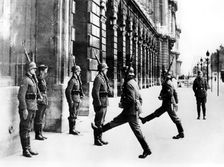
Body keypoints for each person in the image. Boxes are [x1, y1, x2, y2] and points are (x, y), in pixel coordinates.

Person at [91, 67, 151, 159]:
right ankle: (98, 130)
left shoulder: (128, 84)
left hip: (130, 111)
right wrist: (138, 107)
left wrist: (122, 104)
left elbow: (131, 99)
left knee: (137, 131)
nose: (121, 75)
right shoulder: (134, 82)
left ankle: (146, 149)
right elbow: (139, 97)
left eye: (122, 73)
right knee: (115, 121)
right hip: (130, 110)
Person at [140, 72, 184, 139]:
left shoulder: (168, 83)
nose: (162, 78)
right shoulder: (167, 82)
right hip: (166, 104)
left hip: (169, 104)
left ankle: (181, 133)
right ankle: (145, 119)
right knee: (156, 113)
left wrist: (164, 98)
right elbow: (171, 92)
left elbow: (170, 94)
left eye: (163, 76)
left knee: (175, 118)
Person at [17, 61, 39, 157]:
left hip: (32, 107)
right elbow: (21, 96)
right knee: (24, 128)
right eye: (34, 69)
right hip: (27, 108)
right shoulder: (25, 80)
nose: (35, 70)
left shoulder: (32, 79)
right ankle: (25, 150)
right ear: (29, 69)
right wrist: (24, 109)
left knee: (28, 128)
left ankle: (29, 148)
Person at [91, 63, 112, 146]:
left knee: (102, 121)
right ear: (103, 70)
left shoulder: (103, 78)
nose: (107, 70)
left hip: (104, 102)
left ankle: (100, 138)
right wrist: (98, 103)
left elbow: (108, 90)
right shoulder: (98, 78)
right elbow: (95, 92)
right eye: (106, 69)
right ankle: (96, 140)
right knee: (98, 122)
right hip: (100, 102)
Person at [65, 65, 84, 135]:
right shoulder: (72, 81)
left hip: (77, 98)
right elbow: (68, 91)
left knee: (75, 114)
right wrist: (70, 101)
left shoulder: (77, 80)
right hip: (73, 99)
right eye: (78, 71)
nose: (79, 72)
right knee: (72, 114)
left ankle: (74, 128)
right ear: (75, 72)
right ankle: (71, 130)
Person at [34, 64, 48, 140]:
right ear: (42, 70)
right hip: (40, 100)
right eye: (45, 70)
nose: (46, 72)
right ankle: (37, 134)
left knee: (41, 117)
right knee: (38, 117)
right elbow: (36, 90)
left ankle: (40, 133)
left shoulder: (42, 79)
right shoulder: (38, 79)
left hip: (44, 99)